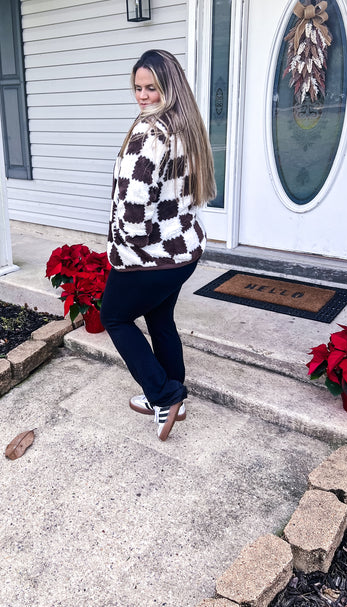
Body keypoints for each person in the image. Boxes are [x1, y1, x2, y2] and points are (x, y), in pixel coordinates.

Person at [100, 49, 216, 441]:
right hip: (183, 252)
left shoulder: (148, 134)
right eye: (138, 88)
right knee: (160, 319)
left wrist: (126, 252)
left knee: (113, 316)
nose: (143, 96)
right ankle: (173, 397)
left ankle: (163, 395)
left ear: (170, 86)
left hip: (150, 258)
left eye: (152, 88)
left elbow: (134, 206)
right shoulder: (185, 127)